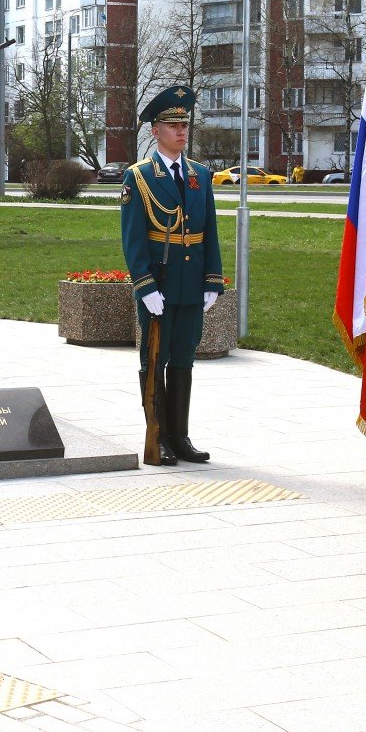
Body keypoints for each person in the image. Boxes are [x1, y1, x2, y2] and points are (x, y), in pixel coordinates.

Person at [120, 87, 225, 466]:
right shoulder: (140, 177)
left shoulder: (200, 174)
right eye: (172, 125)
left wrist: (213, 280)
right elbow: (132, 239)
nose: (181, 131)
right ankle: (157, 436)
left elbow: (209, 230)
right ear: (155, 132)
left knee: (183, 358)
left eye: (184, 124)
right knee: (155, 358)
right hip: (159, 285)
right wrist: (143, 285)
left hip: (191, 284)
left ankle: (180, 437)